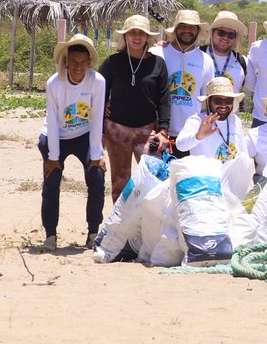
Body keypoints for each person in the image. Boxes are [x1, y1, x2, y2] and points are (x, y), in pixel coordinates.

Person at [38, 35, 106, 251]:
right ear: (66, 62)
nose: (78, 67)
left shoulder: (97, 81)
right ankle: (50, 236)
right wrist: (53, 158)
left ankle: (93, 232)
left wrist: (96, 155)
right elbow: (53, 119)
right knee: (52, 182)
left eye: (82, 63)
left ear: (89, 62)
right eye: (73, 62)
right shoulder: (54, 83)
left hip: (84, 134)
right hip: (55, 135)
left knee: (96, 177)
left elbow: (96, 118)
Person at [99, 15, 170, 201]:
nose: (136, 37)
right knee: (120, 183)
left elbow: (164, 98)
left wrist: (163, 130)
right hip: (117, 130)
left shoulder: (158, 64)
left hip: (147, 131)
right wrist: (100, 130)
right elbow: (98, 93)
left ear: (148, 37)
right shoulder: (112, 62)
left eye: (141, 33)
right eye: (132, 32)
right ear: (125, 36)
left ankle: (149, 225)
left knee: (153, 179)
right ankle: (120, 226)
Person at [152, 9, 215, 154]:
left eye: (192, 27)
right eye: (183, 26)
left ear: (198, 30)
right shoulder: (158, 53)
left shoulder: (206, 60)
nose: (187, 30)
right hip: (160, 133)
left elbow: (207, 101)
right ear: (175, 29)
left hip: (191, 136)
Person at [175, 76, 247, 161]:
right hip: (205, 174)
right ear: (208, 101)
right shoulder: (197, 120)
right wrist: (198, 136)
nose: (224, 105)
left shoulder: (235, 120)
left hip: (231, 173)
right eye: (218, 101)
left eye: (228, 101)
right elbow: (180, 146)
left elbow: (243, 152)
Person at [202, 10, 247, 93]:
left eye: (231, 35)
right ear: (212, 33)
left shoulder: (242, 62)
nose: (225, 38)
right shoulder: (198, 55)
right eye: (221, 33)